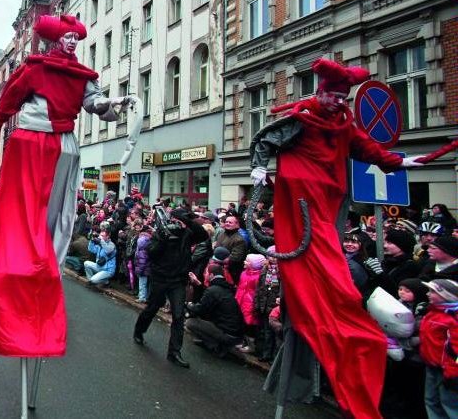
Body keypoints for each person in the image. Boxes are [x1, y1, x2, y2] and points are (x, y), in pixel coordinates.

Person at [249, 57, 424, 418]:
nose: (341, 103)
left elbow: (366, 149)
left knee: (330, 265)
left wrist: (399, 163)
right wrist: (259, 166)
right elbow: (267, 139)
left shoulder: (344, 124)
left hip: (329, 200)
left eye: (345, 97)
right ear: (322, 92)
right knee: (312, 256)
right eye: (336, 96)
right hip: (302, 199)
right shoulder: (302, 118)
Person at [0, 14, 126, 358]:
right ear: (55, 39)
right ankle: (21, 260)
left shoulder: (83, 76)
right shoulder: (35, 68)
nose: (73, 41)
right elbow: (10, 99)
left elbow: (96, 104)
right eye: (68, 36)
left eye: (77, 36)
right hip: (31, 142)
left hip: (63, 145)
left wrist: (115, 104)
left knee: (55, 214)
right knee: (24, 209)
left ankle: (47, 265)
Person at [133, 208, 209, 368]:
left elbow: (203, 235)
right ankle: (139, 330)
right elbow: (151, 252)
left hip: (178, 280)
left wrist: (187, 222)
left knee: (179, 315)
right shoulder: (161, 232)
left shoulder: (188, 233)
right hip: (160, 278)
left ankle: (174, 352)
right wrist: (164, 238)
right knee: (152, 308)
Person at [186, 263, 245, 357]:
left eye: (206, 273)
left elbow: (200, 309)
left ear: (211, 275)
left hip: (228, 333)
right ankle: (211, 341)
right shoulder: (225, 287)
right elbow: (209, 297)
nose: (205, 275)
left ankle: (215, 346)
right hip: (235, 332)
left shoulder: (213, 290)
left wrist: (188, 305)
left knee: (190, 323)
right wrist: (198, 283)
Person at [419, 279, 458, 418]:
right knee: (431, 401)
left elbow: (456, 349)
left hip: (447, 371)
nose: (428, 294)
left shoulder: (453, 317)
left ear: (446, 295)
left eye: (433, 291)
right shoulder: (433, 312)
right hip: (432, 366)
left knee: (449, 405)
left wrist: (453, 373)